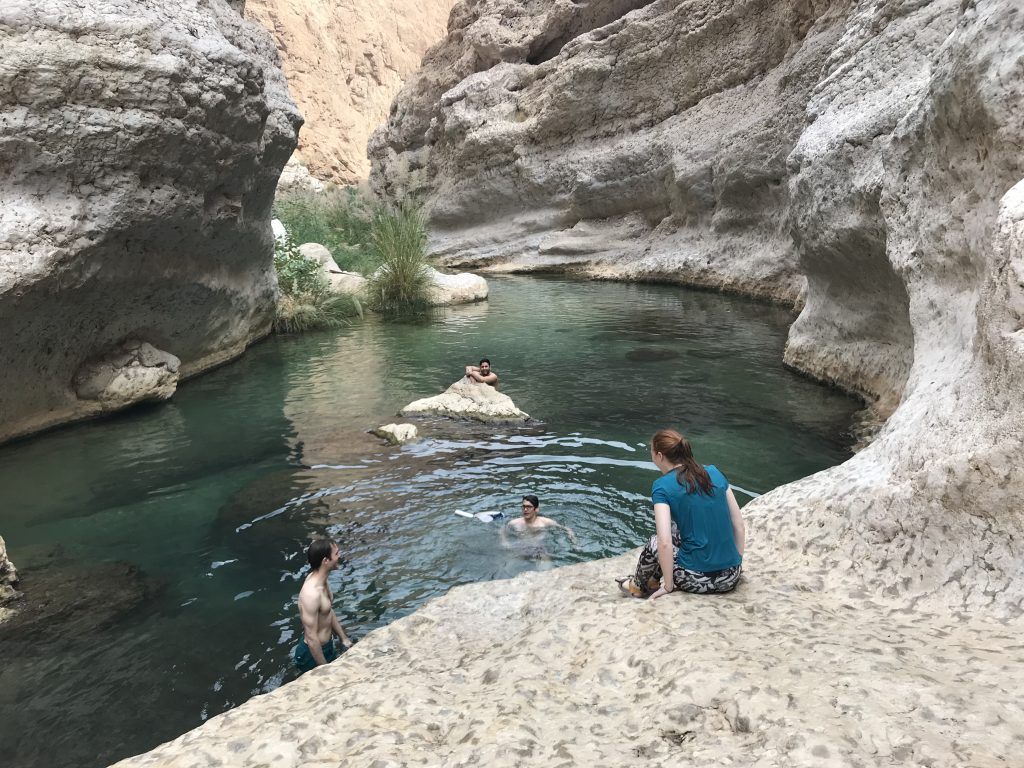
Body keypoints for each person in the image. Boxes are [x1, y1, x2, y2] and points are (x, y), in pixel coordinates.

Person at [617, 429, 745, 599]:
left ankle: (637, 586)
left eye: (651, 452)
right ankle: (653, 580)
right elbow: (739, 526)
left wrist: (669, 586)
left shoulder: (662, 486)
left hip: (698, 580)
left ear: (660, 456)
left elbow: (664, 543)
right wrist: (737, 566)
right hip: (732, 576)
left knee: (655, 542)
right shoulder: (715, 472)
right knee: (677, 531)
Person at [295, 538, 353, 672]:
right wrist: (324, 669)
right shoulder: (311, 594)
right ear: (325, 561)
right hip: (312, 655)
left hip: (327, 647)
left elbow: (328, 611)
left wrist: (343, 638)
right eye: (336, 553)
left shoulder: (322, 581)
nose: (340, 556)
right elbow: (311, 637)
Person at [502, 494, 577, 557]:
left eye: (529, 507)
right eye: (524, 506)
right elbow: (502, 531)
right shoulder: (514, 523)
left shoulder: (545, 522)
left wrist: (574, 543)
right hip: (520, 548)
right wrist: (505, 542)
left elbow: (566, 529)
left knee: (546, 568)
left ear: (536, 509)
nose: (525, 509)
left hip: (539, 550)